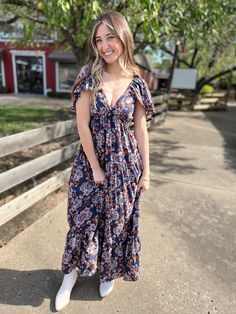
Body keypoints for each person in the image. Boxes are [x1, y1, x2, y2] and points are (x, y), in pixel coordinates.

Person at [55, 10, 155, 311]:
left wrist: (146, 173)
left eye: (110, 37)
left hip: (126, 164)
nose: (104, 46)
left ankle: (107, 270)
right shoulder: (89, 75)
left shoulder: (137, 81)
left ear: (123, 37)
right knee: (82, 219)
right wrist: (96, 167)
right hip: (90, 163)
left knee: (117, 222)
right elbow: (83, 124)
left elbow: (140, 128)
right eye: (99, 40)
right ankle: (69, 277)